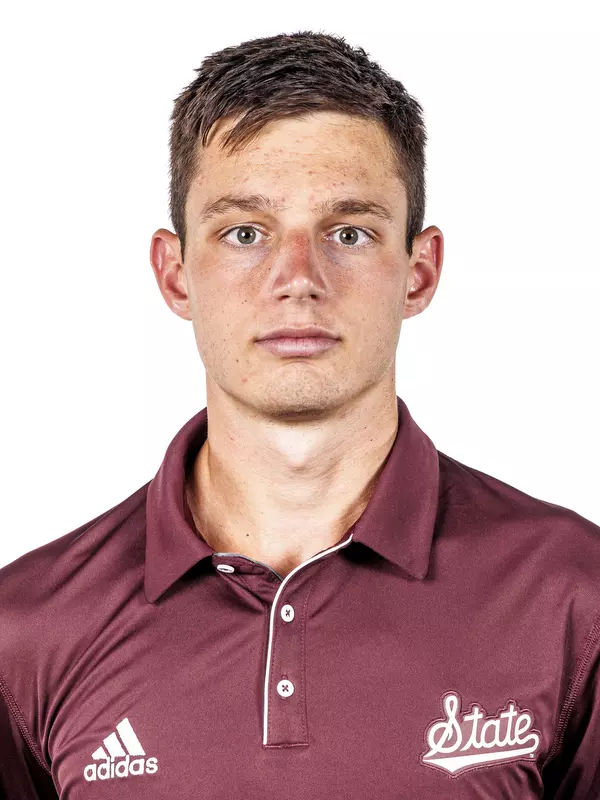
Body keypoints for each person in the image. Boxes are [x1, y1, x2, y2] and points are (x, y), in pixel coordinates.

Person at [1, 29, 598, 800]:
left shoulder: (572, 596)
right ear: (175, 273)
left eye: (348, 232)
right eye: (245, 233)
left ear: (419, 272)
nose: (298, 279)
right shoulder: (28, 629)